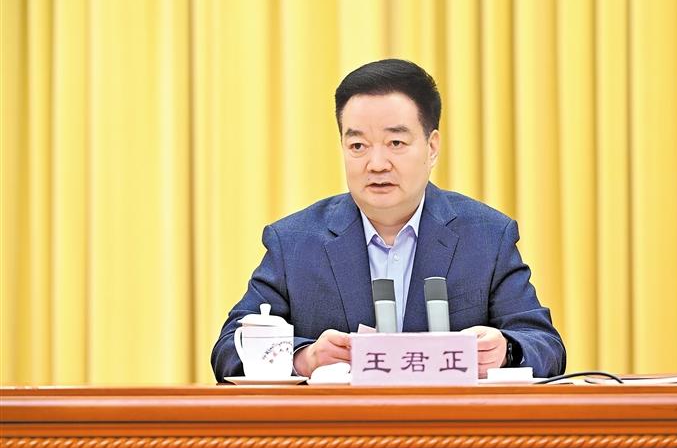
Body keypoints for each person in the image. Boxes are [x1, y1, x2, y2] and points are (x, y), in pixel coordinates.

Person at [211, 59, 566, 381]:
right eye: (358, 146)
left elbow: (545, 346)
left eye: (395, 143)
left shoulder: (486, 236)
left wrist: (506, 350)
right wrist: (303, 358)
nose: (377, 164)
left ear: (431, 147)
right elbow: (229, 349)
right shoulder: (294, 242)